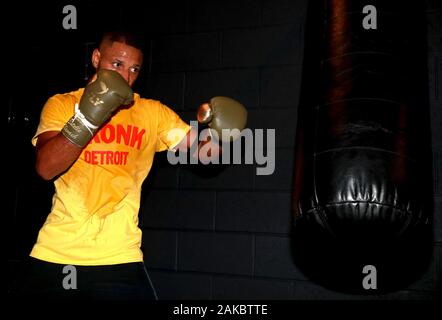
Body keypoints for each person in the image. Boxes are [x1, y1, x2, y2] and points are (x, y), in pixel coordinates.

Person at [17, 31, 246, 300]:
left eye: (134, 69)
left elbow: (203, 155)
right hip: (55, 253)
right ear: (96, 58)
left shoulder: (151, 112)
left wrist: (222, 136)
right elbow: (45, 167)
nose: (125, 77)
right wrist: (88, 118)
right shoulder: (63, 104)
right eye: (117, 65)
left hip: (119, 257)